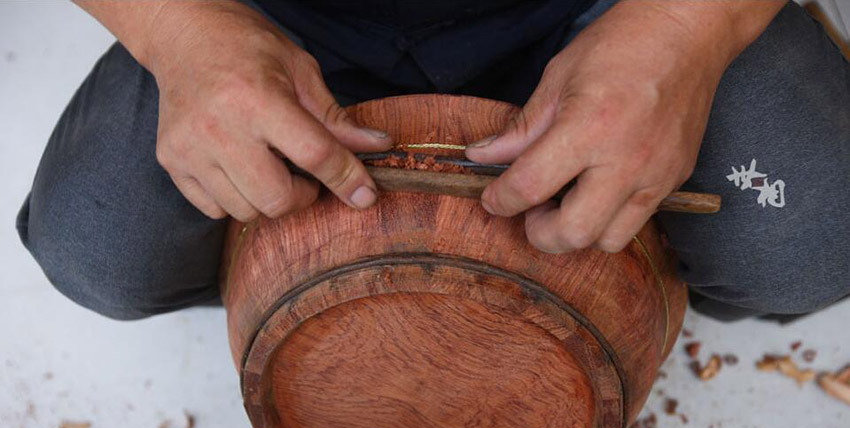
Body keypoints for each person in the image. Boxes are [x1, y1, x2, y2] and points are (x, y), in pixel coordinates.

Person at [16, 0, 850, 321]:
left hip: (627, 15)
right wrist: (178, 32)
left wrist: (685, 34)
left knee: (811, 244)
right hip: (262, 22)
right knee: (98, 255)